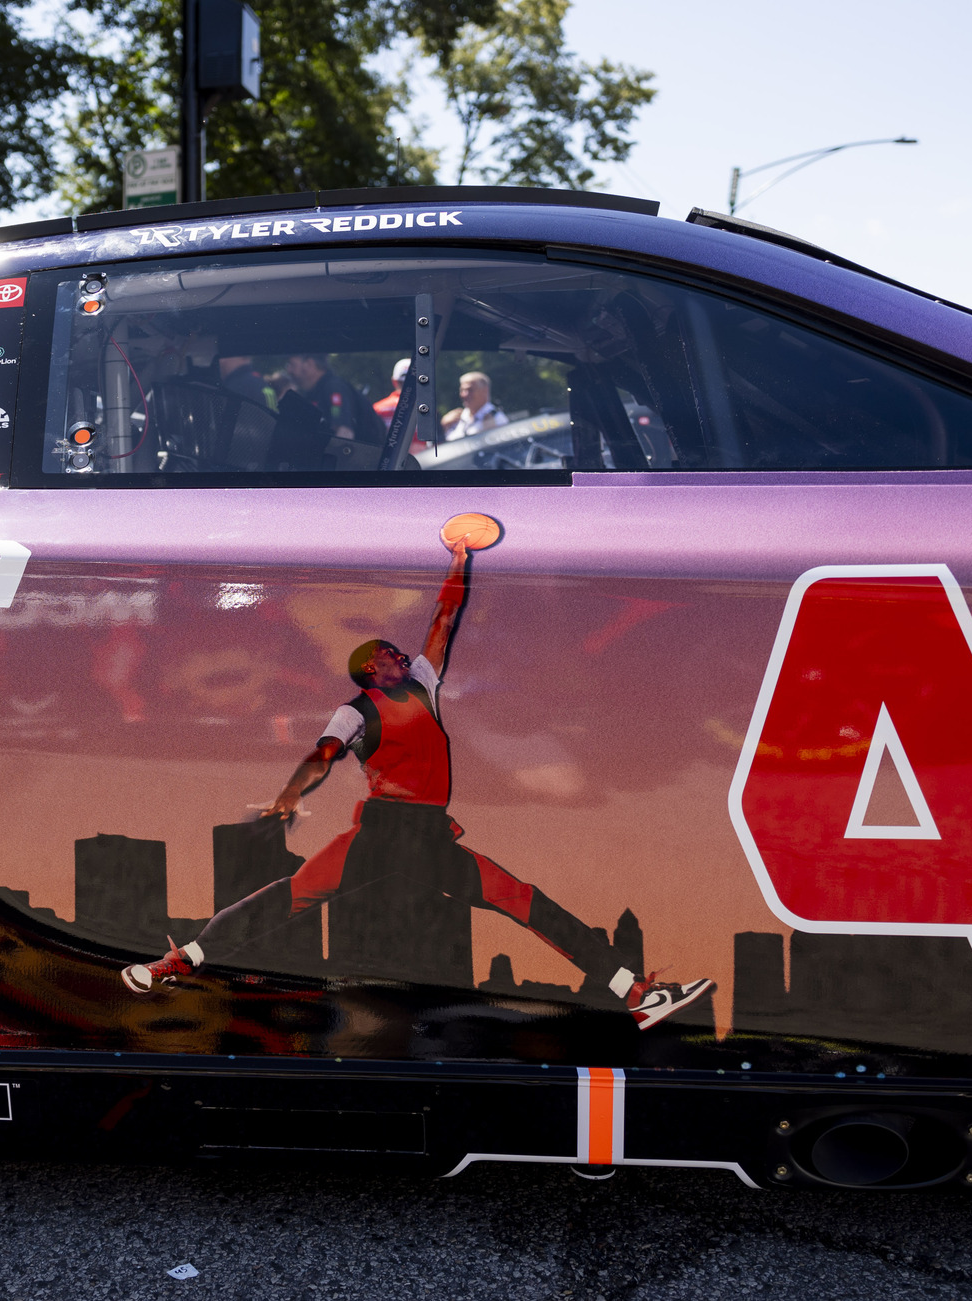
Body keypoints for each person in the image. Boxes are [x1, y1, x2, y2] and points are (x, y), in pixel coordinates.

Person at [119, 533, 715, 1032]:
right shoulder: (357, 710)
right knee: (287, 898)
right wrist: (289, 798)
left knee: (523, 901)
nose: (399, 655)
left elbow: (444, 618)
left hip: (429, 838)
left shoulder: (424, 683)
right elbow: (322, 756)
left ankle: (636, 995)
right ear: (370, 671)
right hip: (382, 835)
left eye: (397, 652)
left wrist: (460, 560)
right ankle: (176, 962)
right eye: (386, 655)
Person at [282, 354, 378, 445]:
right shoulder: (314, 391)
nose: (288, 370)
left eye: (292, 364)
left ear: (309, 364)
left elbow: (344, 433)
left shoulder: (334, 387)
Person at [442, 371, 508, 441]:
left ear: (485, 390)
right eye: (462, 390)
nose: (464, 394)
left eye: (470, 390)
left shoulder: (498, 420)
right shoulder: (454, 419)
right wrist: (442, 427)